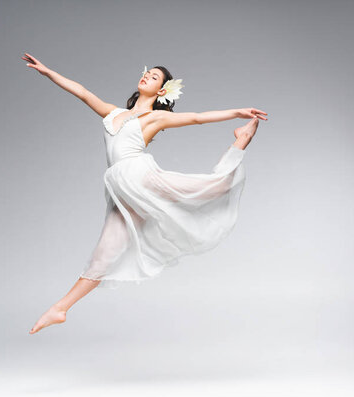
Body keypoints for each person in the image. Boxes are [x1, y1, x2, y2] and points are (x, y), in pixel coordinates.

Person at [21, 53, 267, 334]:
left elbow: (197, 118)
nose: (146, 77)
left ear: (161, 90)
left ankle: (242, 138)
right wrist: (48, 71)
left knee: (215, 187)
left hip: (139, 176)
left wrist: (236, 112)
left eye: (154, 77)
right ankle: (60, 309)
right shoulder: (112, 112)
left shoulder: (155, 117)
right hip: (122, 191)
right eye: (146, 73)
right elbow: (82, 92)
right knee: (104, 256)